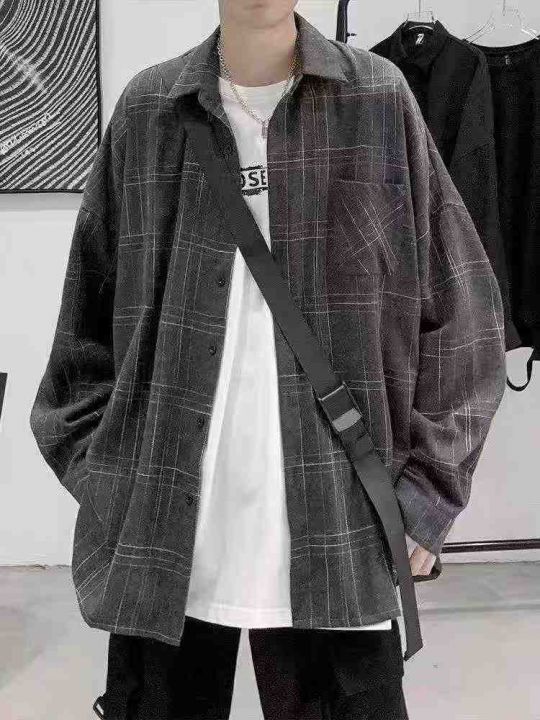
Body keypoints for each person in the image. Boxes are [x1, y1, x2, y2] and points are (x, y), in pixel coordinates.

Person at [29, 2, 507, 719]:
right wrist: (112, 484)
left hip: (341, 528)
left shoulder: (376, 100)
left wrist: (423, 498)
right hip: (165, 540)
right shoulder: (150, 111)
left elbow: (465, 317)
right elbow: (82, 335)